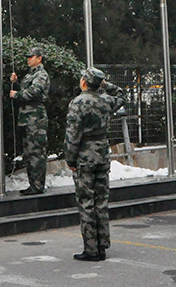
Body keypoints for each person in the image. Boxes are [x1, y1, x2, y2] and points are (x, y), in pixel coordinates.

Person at [65, 67, 124, 261]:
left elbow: (72, 134)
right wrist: (106, 85)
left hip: (85, 155)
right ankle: (102, 245)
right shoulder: (105, 100)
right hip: (102, 154)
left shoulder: (78, 103)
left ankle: (91, 248)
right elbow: (121, 96)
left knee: (86, 202)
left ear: (84, 81)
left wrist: (70, 158)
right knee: (101, 201)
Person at [10, 45, 51, 196]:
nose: (28, 59)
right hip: (27, 118)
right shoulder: (30, 75)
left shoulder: (41, 75)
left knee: (36, 153)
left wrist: (17, 94)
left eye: (31, 57)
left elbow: (34, 92)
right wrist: (15, 83)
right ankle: (33, 184)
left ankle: (38, 185)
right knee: (28, 153)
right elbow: (26, 90)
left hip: (35, 119)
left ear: (39, 58)